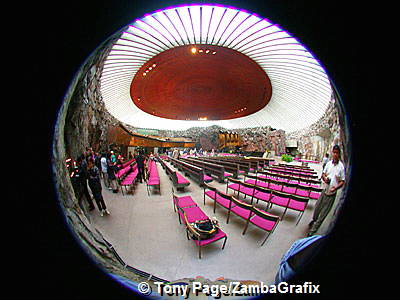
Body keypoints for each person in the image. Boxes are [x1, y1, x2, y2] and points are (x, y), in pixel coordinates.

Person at [308, 145, 345, 236]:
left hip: (331, 193)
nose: (335, 154)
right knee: (317, 208)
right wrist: (325, 178)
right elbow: (323, 174)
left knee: (323, 214)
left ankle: (312, 232)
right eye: (334, 152)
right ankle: (314, 220)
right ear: (332, 153)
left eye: (337, 153)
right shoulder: (328, 164)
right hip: (324, 190)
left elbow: (342, 181)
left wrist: (336, 187)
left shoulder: (341, 167)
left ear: (339, 154)